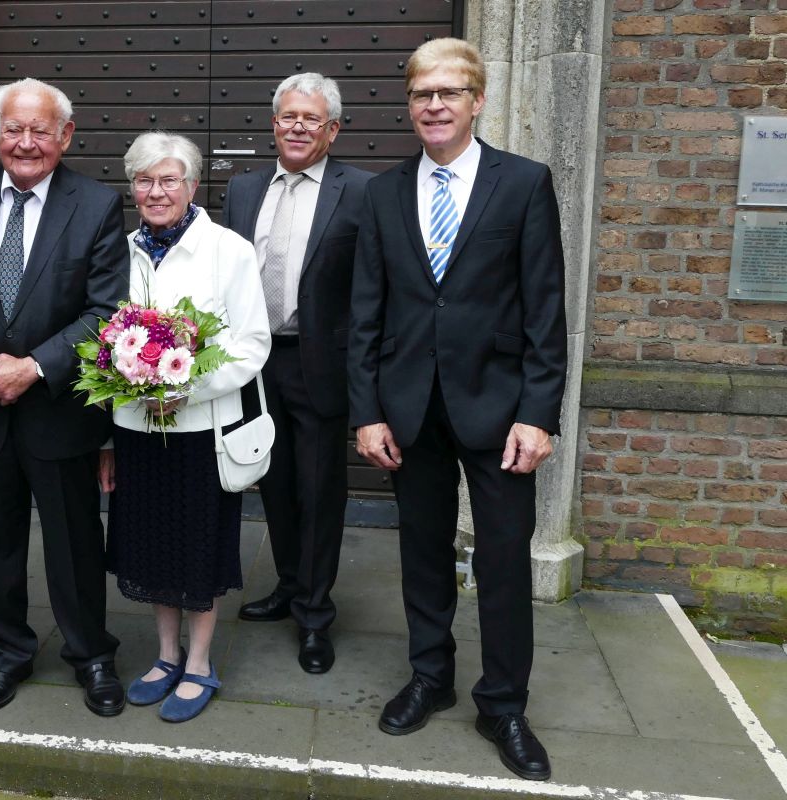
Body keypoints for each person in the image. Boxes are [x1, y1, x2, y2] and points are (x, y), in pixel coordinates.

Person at [347, 38, 567, 781]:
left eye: (449, 93)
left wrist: (538, 414)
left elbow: (546, 309)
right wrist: (367, 411)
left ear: (477, 101)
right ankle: (430, 676)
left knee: (503, 559)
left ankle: (503, 704)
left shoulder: (523, 183)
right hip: (410, 408)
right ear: (408, 105)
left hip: (500, 410)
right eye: (422, 94)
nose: (434, 105)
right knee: (422, 552)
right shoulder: (382, 194)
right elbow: (366, 314)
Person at [0, 79, 130, 717]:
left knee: (74, 543)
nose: (26, 142)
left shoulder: (96, 204)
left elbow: (105, 309)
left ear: (66, 136)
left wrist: (34, 368)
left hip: (59, 410)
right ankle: (6, 653)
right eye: (14, 128)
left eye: (41, 130)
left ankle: (90, 655)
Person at [99, 131, 270, 723]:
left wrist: (184, 388)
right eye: (144, 180)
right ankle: (165, 655)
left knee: (197, 549)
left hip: (201, 431)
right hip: (137, 432)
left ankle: (199, 663)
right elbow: (101, 341)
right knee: (150, 546)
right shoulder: (119, 252)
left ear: (193, 186)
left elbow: (252, 345)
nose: (156, 191)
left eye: (169, 179)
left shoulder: (228, 250)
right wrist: (113, 424)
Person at [222, 73, 372, 674]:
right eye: (289, 116)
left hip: (319, 364)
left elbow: (373, 285)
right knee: (274, 482)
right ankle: (289, 585)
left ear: (333, 130)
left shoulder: (361, 191)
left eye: (312, 119)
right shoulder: (243, 189)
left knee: (318, 490)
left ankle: (314, 614)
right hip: (255, 363)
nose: (298, 127)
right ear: (274, 123)